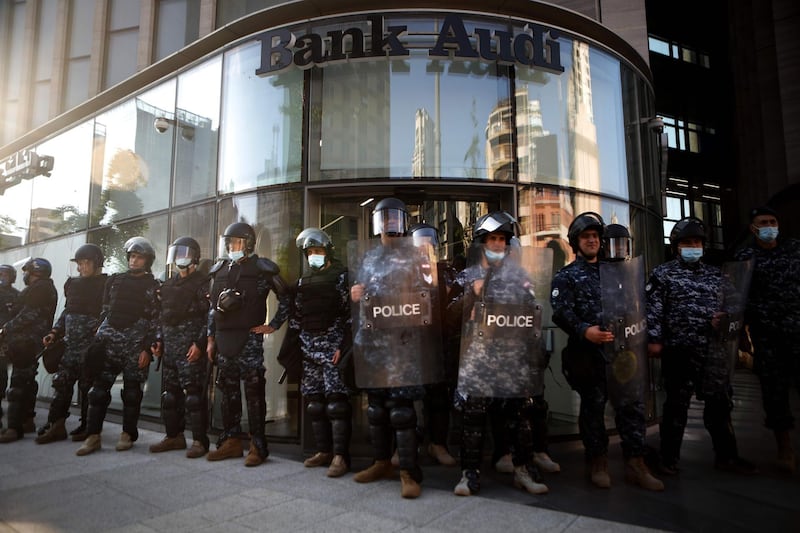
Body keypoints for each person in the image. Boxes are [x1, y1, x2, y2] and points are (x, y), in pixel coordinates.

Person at [551, 212, 663, 490]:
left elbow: (637, 307)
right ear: (575, 242)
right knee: (593, 409)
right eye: (585, 236)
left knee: (631, 407)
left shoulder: (618, 272)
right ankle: (597, 460)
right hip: (589, 355)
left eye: (595, 236)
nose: (591, 240)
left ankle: (636, 462)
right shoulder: (567, 276)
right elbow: (561, 312)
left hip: (623, 354)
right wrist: (583, 330)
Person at [647, 217, 756, 475]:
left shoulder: (717, 276)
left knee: (720, 405)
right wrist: (654, 340)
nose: (692, 246)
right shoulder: (663, 274)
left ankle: (727, 456)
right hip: (680, 350)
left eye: (696, 241)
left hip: (713, 352)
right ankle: (668, 458)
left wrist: (726, 320)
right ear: (676, 246)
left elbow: (732, 307)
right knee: (676, 406)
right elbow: (653, 310)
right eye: (687, 242)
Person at [452, 211, 550, 496]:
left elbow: (533, 313)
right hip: (478, 360)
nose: (497, 245)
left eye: (502, 240)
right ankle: (468, 475)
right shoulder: (466, 276)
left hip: (512, 360)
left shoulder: (519, 277)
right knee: (473, 419)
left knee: (521, 417)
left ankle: (523, 470)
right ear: (481, 242)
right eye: (492, 239)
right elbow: (446, 317)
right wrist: (471, 294)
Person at [349, 198, 438, 499]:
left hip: (403, 347)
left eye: (393, 219)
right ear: (377, 224)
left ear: (401, 222)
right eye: (383, 219)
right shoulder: (369, 258)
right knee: (376, 410)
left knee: (402, 413)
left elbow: (431, 292)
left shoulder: (416, 255)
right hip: (375, 346)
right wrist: (355, 293)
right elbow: (362, 294)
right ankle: (381, 462)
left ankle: (409, 473)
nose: (388, 224)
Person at [206, 222, 291, 466]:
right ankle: (231, 442)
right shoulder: (219, 270)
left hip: (249, 339)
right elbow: (212, 310)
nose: (233, 247)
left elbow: (286, 297)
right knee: (228, 391)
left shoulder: (262, 270)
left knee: (253, 391)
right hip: (224, 340)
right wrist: (211, 339)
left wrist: (273, 325)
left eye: (238, 242)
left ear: (249, 244)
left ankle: (258, 445)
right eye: (230, 242)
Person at [76, 237, 161, 455]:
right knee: (98, 392)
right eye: (132, 256)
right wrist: (99, 335)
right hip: (109, 343)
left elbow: (155, 319)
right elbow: (105, 309)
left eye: (139, 257)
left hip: (134, 346)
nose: (134, 260)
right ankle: (93, 436)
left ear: (147, 261)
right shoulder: (114, 280)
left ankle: (127, 434)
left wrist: (146, 348)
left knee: (132, 393)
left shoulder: (153, 286)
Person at [733, 206, 800, 473]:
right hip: (768, 337)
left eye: (773, 221)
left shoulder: (795, 250)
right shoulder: (745, 258)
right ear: (753, 228)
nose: (770, 225)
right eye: (764, 222)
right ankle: (785, 450)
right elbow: (738, 300)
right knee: (775, 395)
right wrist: (741, 337)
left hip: (797, 331)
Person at [291, 227, 353, 477]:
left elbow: (350, 315)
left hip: (333, 350)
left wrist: (343, 347)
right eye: (309, 252)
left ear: (328, 253)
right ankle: (324, 451)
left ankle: (341, 456)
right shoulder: (302, 282)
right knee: (315, 405)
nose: (313, 256)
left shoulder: (341, 278)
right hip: (309, 350)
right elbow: (297, 316)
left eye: (317, 251)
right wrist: (297, 348)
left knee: (337, 404)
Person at [36, 244, 108, 444]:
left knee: (88, 389)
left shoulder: (106, 285)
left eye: (85, 263)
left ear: (97, 263)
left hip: (89, 347)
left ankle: (88, 427)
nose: (81, 268)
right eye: (79, 264)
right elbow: (68, 311)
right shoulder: (73, 285)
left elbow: (108, 314)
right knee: (61, 383)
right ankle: (56, 425)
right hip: (70, 345)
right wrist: (55, 331)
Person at [149, 237, 212, 458]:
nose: (179, 258)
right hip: (170, 349)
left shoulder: (203, 283)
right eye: (176, 253)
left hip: (191, 347)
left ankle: (199, 441)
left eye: (183, 253)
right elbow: (161, 317)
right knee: (169, 396)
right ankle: (173, 436)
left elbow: (209, 318)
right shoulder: (167, 285)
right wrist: (157, 341)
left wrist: (200, 344)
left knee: (193, 396)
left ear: (194, 256)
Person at [409, 222, 457, 467]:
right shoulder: (403, 273)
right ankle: (408, 446)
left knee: (439, 398)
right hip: (412, 347)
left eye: (430, 244)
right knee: (410, 399)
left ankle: (438, 444)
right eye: (420, 245)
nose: (425, 249)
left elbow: (457, 305)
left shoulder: (446, 272)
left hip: (439, 344)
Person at [0, 258, 58, 443]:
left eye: (28, 272)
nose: (25, 275)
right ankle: (27, 420)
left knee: (18, 385)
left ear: (36, 273)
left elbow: (28, 314)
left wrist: (5, 328)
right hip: (28, 342)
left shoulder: (40, 289)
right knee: (27, 382)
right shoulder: (42, 287)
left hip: (26, 342)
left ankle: (14, 428)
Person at [0, 264, 20, 429]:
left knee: (2, 373)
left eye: (5, 274)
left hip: (7, 340)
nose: (2, 277)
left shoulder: (17, 295)